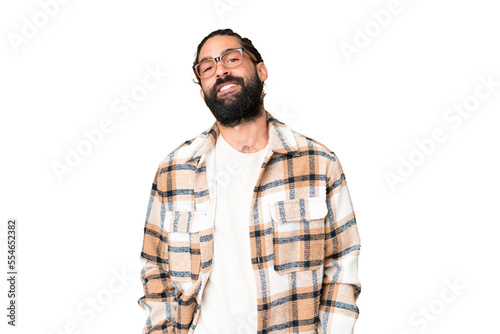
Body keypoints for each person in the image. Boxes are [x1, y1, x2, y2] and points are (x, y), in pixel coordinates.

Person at [138, 28, 361, 334]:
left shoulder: (318, 164)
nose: (221, 70)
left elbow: (341, 269)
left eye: (232, 58)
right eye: (208, 68)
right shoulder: (174, 172)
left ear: (261, 69)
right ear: (202, 91)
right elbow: (155, 269)